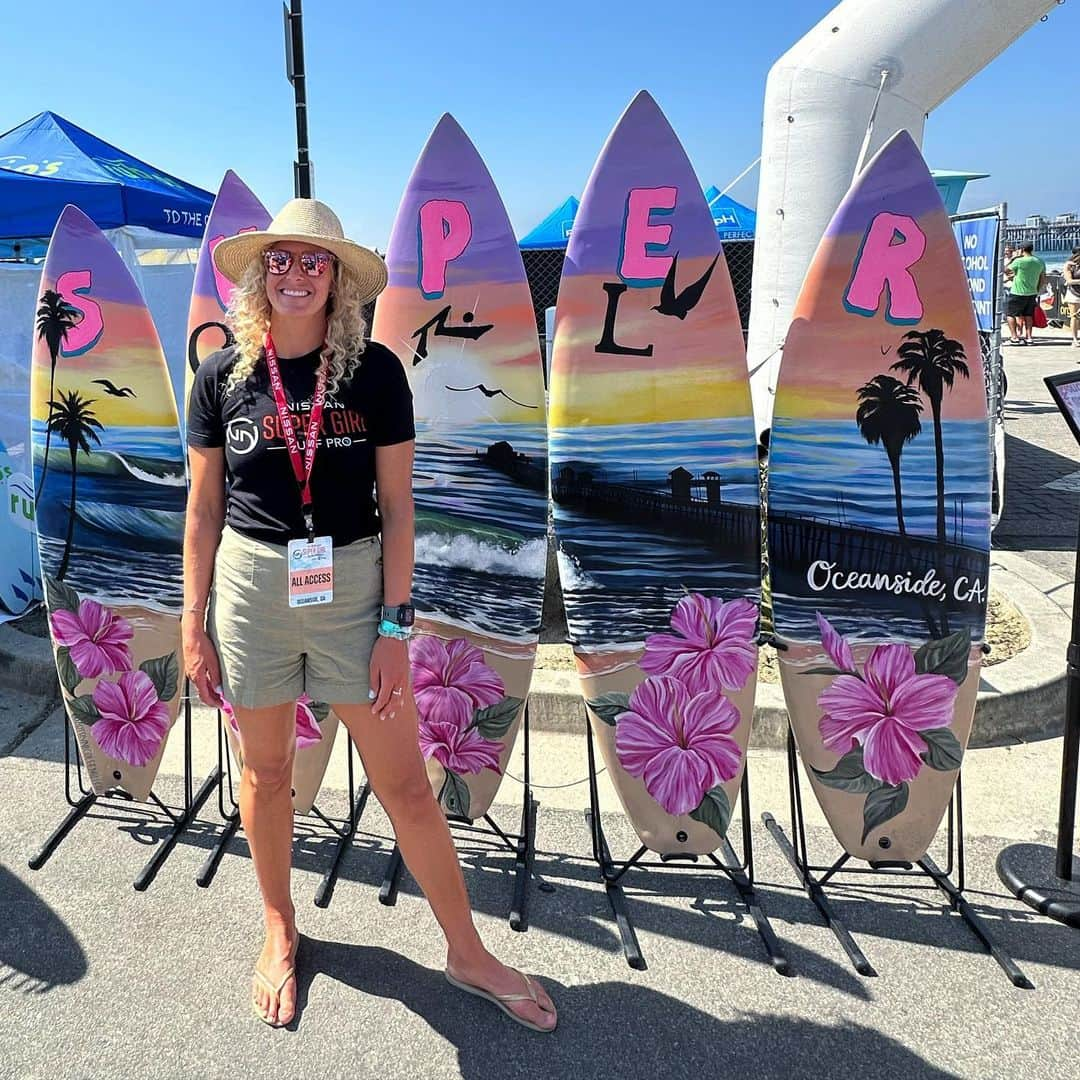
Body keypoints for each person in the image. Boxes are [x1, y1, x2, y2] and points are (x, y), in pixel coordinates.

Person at [183, 198, 557, 1033]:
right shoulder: (223, 376)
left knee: (405, 787)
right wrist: (192, 620)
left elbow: (398, 505)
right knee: (266, 775)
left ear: (339, 279)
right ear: (258, 274)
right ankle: (280, 927)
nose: (297, 274)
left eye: (315, 262)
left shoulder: (376, 373)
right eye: (280, 259)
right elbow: (203, 512)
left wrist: (396, 627)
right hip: (250, 591)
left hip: (354, 590)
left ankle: (467, 951)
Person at [1005, 242, 1046, 345]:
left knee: (1010, 314)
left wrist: (1012, 258)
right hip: (1032, 292)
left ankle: (1014, 337)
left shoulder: (1019, 261)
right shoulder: (1039, 261)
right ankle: (1029, 338)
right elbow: (1042, 278)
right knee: (1028, 315)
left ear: (1022, 249)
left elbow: (1005, 269)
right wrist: (1037, 289)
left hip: (1017, 292)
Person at [1063, 245, 1080, 348]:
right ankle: (1074, 339)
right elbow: (1069, 281)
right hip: (1074, 292)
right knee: (1075, 317)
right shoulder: (1069, 265)